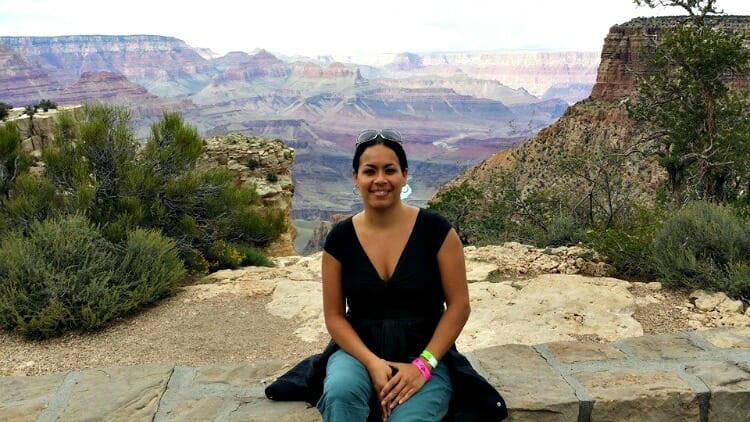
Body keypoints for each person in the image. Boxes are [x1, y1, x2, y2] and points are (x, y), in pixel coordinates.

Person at [265, 129, 507, 421]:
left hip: (424, 354)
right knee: (341, 393)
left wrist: (423, 366)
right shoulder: (340, 239)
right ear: (356, 178)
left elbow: (459, 306)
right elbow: (335, 317)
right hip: (358, 353)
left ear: (404, 175)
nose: (380, 180)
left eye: (389, 170)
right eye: (370, 171)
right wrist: (371, 363)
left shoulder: (437, 232)